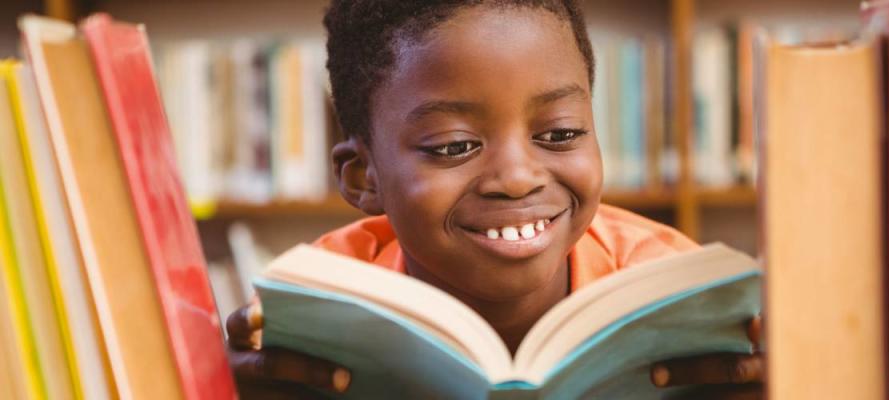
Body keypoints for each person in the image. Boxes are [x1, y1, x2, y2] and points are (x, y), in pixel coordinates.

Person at [227, 1, 764, 398]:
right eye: (454, 146)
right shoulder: (324, 303)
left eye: (559, 134)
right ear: (364, 177)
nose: (516, 178)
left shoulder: (673, 289)